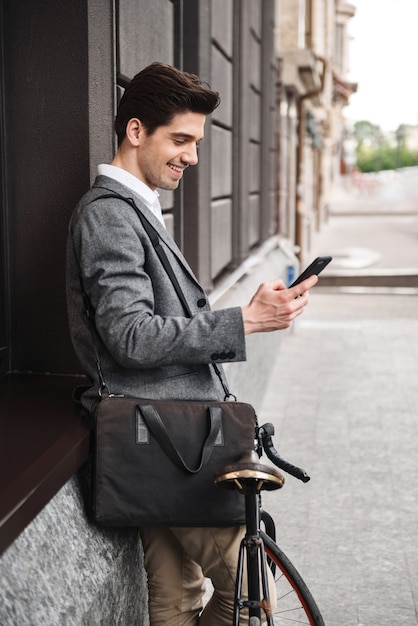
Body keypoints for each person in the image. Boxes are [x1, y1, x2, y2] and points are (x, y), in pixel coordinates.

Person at [66, 61, 318, 626]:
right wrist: (242, 322)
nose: (192, 156)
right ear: (136, 132)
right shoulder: (108, 215)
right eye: (181, 139)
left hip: (164, 439)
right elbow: (129, 335)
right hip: (164, 443)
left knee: (177, 597)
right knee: (252, 590)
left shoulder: (137, 209)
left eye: (196, 141)